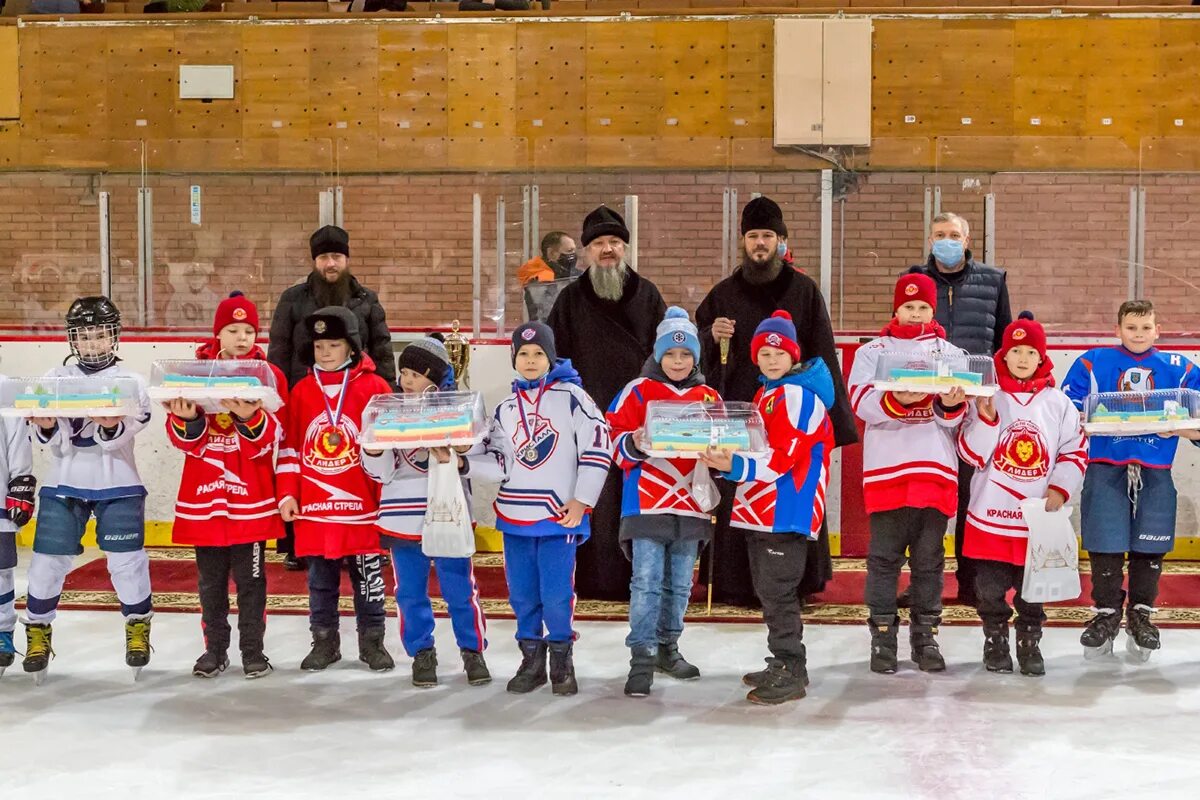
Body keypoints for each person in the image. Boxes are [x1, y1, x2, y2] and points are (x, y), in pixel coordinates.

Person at [696, 196, 856, 607]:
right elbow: (694, 357)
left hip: (793, 420)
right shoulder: (723, 294)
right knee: (739, 490)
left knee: (790, 493)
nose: (760, 244)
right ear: (743, 242)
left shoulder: (803, 290)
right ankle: (737, 584)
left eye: (768, 235)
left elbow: (822, 355)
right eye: (753, 236)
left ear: (782, 240)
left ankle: (797, 583)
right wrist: (711, 337)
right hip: (740, 416)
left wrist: (830, 422)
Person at [701, 311, 835, 705]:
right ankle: (782, 659)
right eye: (764, 353)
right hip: (763, 508)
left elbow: (783, 458)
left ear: (793, 357)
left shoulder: (797, 396)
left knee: (777, 590)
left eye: (780, 353)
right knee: (769, 589)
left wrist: (733, 465)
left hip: (786, 509)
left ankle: (791, 668)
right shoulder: (768, 394)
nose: (772, 360)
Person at [22, 297, 155, 680]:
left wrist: (109, 423)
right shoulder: (53, 379)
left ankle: (137, 627)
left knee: (127, 562)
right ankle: (38, 630)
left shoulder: (132, 382)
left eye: (100, 336)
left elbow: (118, 437)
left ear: (113, 337)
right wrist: (45, 424)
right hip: (65, 480)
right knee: (47, 562)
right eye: (85, 337)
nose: (93, 344)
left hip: (119, 482)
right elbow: (47, 438)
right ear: (72, 340)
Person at [477, 321, 612, 696]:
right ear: (514, 358)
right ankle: (531, 659)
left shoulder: (573, 398)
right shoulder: (504, 407)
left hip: (557, 516)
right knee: (521, 593)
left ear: (551, 358)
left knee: (556, 592)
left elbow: (599, 446)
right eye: (523, 353)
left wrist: (582, 499)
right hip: (514, 515)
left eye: (539, 354)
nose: (531, 360)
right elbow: (498, 460)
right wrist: (461, 462)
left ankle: (561, 659)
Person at [1062, 299, 1200, 661]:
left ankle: (1141, 613)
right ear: (1117, 329)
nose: (1138, 334)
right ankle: (1106, 614)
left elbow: (1198, 417)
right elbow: (1066, 407)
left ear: (1158, 330)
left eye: (1145, 328)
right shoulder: (1093, 362)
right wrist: (1082, 418)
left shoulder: (1180, 368)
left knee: (1150, 543)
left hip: (1155, 470)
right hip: (1106, 465)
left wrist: (1185, 429)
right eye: (1131, 328)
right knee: (1104, 539)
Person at [164, 291, 290, 679]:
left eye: (249, 330)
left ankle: (253, 651)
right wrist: (188, 420)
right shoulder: (195, 373)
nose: (242, 337)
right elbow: (182, 440)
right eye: (233, 330)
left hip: (250, 497)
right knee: (210, 583)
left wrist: (250, 418)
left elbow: (273, 438)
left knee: (252, 580)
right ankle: (214, 651)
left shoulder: (269, 376)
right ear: (218, 333)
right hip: (205, 497)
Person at [846, 274, 968, 674]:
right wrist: (897, 398)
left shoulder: (951, 353)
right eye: (909, 306)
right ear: (896, 309)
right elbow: (860, 402)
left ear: (934, 311)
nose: (915, 313)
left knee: (929, 562)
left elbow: (959, 418)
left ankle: (925, 638)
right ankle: (882, 639)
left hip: (934, 470)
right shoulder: (873, 352)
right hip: (887, 471)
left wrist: (951, 404)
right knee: (883, 560)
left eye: (923, 308)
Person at [957, 313, 1087, 676]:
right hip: (991, 514)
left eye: (1032, 351)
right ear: (1004, 355)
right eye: (1017, 350)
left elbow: (1074, 451)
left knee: (1034, 589)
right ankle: (995, 640)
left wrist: (1060, 488)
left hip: (1037, 519)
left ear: (1042, 357)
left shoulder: (1057, 403)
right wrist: (986, 420)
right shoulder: (988, 396)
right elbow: (971, 453)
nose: (1024, 358)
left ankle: (1029, 642)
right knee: (990, 588)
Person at [547, 206, 666, 601]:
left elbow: (666, 356)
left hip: (638, 418)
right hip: (587, 415)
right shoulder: (569, 299)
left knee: (634, 498)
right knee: (594, 495)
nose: (608, 249)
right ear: (586, 253)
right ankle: (595, 579)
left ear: (626, 248)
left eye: (615, 242)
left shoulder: (648, 294)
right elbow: (555, 358)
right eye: (599, 243)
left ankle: (641, 579)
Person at [363, 334, 491, 689]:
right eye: (404, 372)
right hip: (401, 516)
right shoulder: (386, 412)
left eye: (416, 374)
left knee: (460, 590)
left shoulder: (459, 411)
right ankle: (422, 652)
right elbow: (381, 473)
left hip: (447, 513)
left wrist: (460, 454)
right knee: (409, 592)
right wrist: (373, 449)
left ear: (435, 379)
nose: (406, 380)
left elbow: (485, 463)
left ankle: (472, 650)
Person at [268, 225, 395, 571]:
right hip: (305, 399)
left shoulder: (366, 300)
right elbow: (278, 350)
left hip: (356, 402)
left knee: (356, 470)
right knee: (309, 470)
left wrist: (387, 400)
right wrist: (275, 397)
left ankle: (368, 538)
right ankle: (298, 544)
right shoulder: (293, 299)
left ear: (347, 259)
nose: (330, 264)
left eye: (336, 256)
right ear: (315, 261)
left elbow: (381, 350)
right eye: (324, 257)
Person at [606, 307, 717, 697]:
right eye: (670, 354)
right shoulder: (637, 390)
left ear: (696, 357)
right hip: (647, 502)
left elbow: (722, 448)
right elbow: (613, 441)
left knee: (680, 584)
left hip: (690, 504)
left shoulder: (710, 396)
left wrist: (722, 454)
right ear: (657, 354)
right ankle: (642, 655)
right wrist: (634, 443)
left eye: (685, 355)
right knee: (647, 581)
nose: (677, 361)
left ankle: (669, 646)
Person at [277, 306, 394, 673]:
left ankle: (372, 640)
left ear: (352, 347)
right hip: (316, 505)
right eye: (318, 346)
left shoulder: (376, 388)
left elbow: (387, 450)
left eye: (333, 345)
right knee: (320, 581)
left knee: (368, 578)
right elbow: (291, 448)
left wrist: (384, 500)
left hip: (361, 505)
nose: (324, 352)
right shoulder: (301, 391)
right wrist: (288, 493)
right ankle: (324, 642)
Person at [906, 211, 1013, 605]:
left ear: (967, 241)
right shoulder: (913, 279)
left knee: (974, 494)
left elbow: (1003, 342)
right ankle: (922, 586)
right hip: (923, 403)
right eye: (939, 234)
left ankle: (973, 585)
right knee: (925, 496)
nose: (946, 241)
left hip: (973, 404)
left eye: (954, 235)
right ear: (929, 239)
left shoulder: (993, 280)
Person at [0, 390, 34, 678]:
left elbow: (17, 439)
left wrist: (21, 483)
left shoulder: (4, 386)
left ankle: (2, 632)